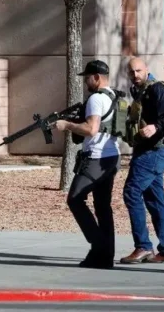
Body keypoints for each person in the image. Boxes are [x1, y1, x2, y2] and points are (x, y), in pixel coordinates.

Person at [54, 60, 121, 269]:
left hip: (96, 157)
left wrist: (67, 125)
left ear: (97, 78)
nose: (86, 83)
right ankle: (104, 256)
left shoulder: (96, 98)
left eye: (87, 78)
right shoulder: (114, 96)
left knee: (75, 199)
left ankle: (99, 245)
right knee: (102, 207)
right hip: (112, 157)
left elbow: (91, 129)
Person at [120, 57, 164, 264]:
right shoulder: (139, 90)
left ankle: (143, 247)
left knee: (132, 191)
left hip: (155, 150)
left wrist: (155, 127)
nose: (135, 75)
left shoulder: (157, 90)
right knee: (154, 199)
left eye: (138, 71)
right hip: (147, 149)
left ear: (146, 70)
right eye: (131, 72)